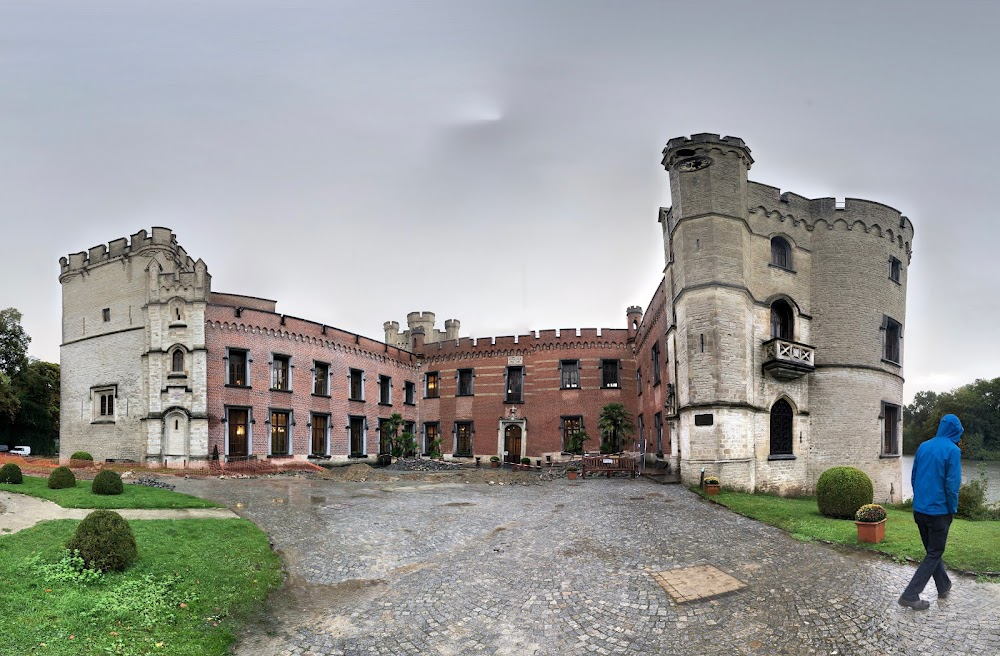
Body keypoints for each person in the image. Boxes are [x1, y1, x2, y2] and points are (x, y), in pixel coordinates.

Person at [898, 413, 963, 610]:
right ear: (956, 430)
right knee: (935, 552)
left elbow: (914, 476)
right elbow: (952, 486)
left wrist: (920, 499)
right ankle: (910, 595)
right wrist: (952, 509)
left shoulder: (923, 446)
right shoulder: (953, 451)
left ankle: (943, 585)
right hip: (939, 513)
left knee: (932, 552)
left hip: (920, 510)